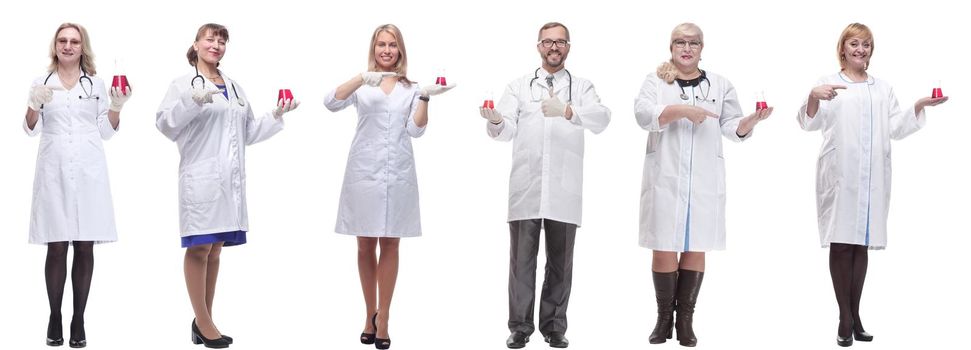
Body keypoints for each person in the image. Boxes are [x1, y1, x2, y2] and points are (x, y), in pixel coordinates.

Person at [797, 22, 947, 347]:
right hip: (839, 175)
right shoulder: (829, 84)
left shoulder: (882, 88)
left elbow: (895, 125)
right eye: (854, 44)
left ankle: (856, 314)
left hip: (871, 177)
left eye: (865, 45)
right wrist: (812, 96)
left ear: (870, 51)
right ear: (843, 48)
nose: (860, 50)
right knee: (841, 242)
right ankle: (844, 317)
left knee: (860, 244)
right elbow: (810, 123)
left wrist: (919, 106)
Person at [156, 23, 299, 348]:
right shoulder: (182, 84)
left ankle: (203, 320)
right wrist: (193, 100)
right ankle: (204, 322)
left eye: (222, 40)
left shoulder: (234, 87)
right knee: (200, 247)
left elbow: (246, 133)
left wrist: (276, 115)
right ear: (196, 44)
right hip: (201, 178)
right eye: (211, 38)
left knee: (216, 248)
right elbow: (165, 125)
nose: (216, 44)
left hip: (229, 181)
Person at [635, 23, 771, 347]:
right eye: (680, 42)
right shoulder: (655, 81)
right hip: (665, 176)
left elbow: (731, 126)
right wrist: (682, 110)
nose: (686, 47)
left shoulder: (720, 84)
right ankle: (663, 317)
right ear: (671, 47)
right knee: (664, 245)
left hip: (704, 180)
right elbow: (642, 115)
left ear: (701, 47)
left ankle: (685, 321)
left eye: (693, 42)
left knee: (697, 244)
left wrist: (750, 122)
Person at [479, 22, 610, 349]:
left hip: (564, 190)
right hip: (526, 187)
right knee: (521, 264)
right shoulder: (520, 87)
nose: (554, 47)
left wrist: (568, 110)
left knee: (560, 264)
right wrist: (496, 120)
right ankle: (520, 327)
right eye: (548, 42)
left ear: (568, 47)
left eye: (560, 42)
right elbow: (506, 128)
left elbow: (602, 118)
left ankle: (553, 328)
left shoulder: (581, 87)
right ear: (538, 46)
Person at [324, 23, 453, 350]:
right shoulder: (363, 86)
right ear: (374, 48)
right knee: (365, 244)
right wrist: (360, 77)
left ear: (400, 50)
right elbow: (330, 102)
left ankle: (386, 317)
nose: (386, 50)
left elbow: (416, 130)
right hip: (363, 172)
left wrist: (425, 97)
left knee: (391, 244)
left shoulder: (410, 87)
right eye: (381, 44)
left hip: (397, 172)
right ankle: (370, 314)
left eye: (392, 45)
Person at [23, 22, 130, 348]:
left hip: (89, 170)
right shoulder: (41, 82)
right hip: (53, 169)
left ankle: (78, 319)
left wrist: (115, 107)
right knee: (56, 244)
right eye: (62, 40)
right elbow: (30, 129)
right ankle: (55, 315)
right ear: (55, 46)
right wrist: (33, 103)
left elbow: (106, 131)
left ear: (83, 47)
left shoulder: (95, 84)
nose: (68, 46)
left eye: (74, 41)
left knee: (84, 244)